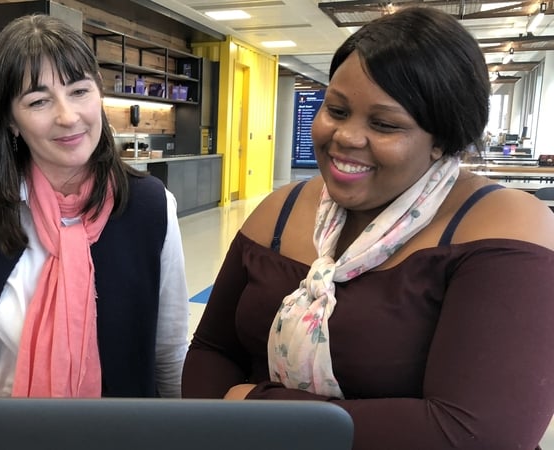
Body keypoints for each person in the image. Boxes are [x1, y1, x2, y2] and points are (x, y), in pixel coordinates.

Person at [182, 7, 554, 449]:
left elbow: (476, 433)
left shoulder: (502, 225)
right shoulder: (280, 210)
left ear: (442, 139)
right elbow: (211, 350)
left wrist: (257, 407)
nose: (346, 137)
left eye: (383, 124)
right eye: (336, 110)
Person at [0, 14, 189, 398]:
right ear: (11, 120)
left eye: (79, 91)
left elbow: (169, 354)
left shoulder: (151, 206)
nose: (67, 116)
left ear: (99, 95)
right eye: (39, 100)